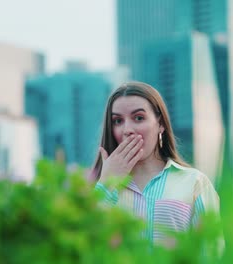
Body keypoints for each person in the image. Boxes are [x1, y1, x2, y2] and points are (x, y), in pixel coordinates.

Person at [91, 81, 221, 246]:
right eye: (117, 121)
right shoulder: (96, 186)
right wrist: (106, 184)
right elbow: (84, 246)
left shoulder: (195, 182)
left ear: (160, 124)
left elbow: (212, 250)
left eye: (139, 118)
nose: (127, 129)